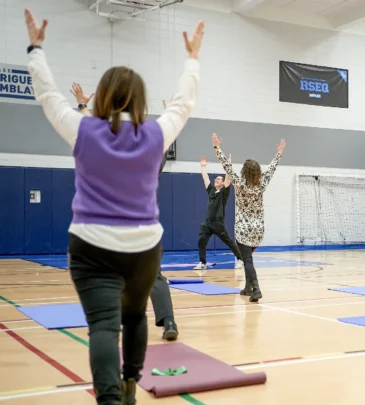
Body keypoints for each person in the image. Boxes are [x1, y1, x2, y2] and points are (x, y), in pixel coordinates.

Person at [25, 8, 205, 404]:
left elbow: (48, 97)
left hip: (92, 245)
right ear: (139, 100)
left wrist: (36, 49)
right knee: (135, 315)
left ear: (102, 96)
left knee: (104, 327)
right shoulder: (155, 134)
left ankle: (110, 398)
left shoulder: (84, 129)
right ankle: (129, 385)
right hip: (143, 247)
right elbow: (183, 104)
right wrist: (192, 59)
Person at [72, 87, 180, 342]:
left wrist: (82, 107)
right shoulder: (150, 160)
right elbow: (165, 137)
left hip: (111, 231)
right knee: (155, 277)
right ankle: (169, 322)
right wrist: (170, 112)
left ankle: (111, 328)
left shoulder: (106, 156)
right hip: (144, 231)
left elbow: (90, 132)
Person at [212, 133, 284, 302]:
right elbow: (272, 168)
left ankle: (256, 289)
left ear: (244, 171)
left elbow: (226, 166)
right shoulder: (262, 183)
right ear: (258, 172)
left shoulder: (239, 182)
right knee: (246, 260)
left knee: (248, 261)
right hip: (258, 230)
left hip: (244, 230)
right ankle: (247, 287)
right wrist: (279, 153)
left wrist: (217, 147)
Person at [194, 155, 245, 271]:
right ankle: (202, 262)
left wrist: (228, 165)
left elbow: (228, 179)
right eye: (215, 179)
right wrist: (203, 167)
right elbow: (205, 178)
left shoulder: (224, 192)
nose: (216, 180)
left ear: (222, 183)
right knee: (201, 240)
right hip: (207, 223)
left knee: (229, 242)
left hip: (218, 223)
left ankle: (240, 260)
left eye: (218, 179)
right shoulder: (212, 190)